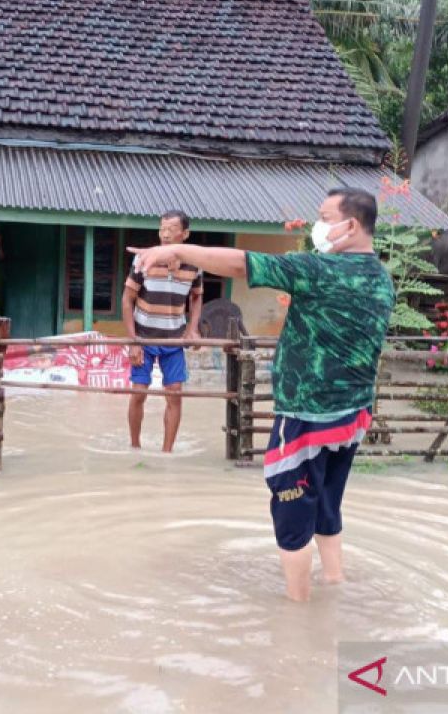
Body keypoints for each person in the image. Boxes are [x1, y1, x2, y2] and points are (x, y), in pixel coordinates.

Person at [129, 189, 394, 601]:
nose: (317, 226)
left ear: (352, 225)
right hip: (351, 417)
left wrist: (177, 250)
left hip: (306, 418)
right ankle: (335, 583)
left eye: (324, 217)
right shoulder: (381, 278)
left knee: (292, 512)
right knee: (327, 502)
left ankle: (298, 613)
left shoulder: (320, 271)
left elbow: (241, 263)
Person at [121, 210, 203, 452]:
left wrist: (192, 329)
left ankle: (167, 452)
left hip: (174, 339)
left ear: (184, 234)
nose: (165, 235)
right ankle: (134, 446)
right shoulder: (143, 260)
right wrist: (133, 341)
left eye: (171, 230)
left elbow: (197, 298)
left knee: (175, 394)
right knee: (138, 393)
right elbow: (127, 300)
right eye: (162, 229)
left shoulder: (195, 265)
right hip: (144, 337)